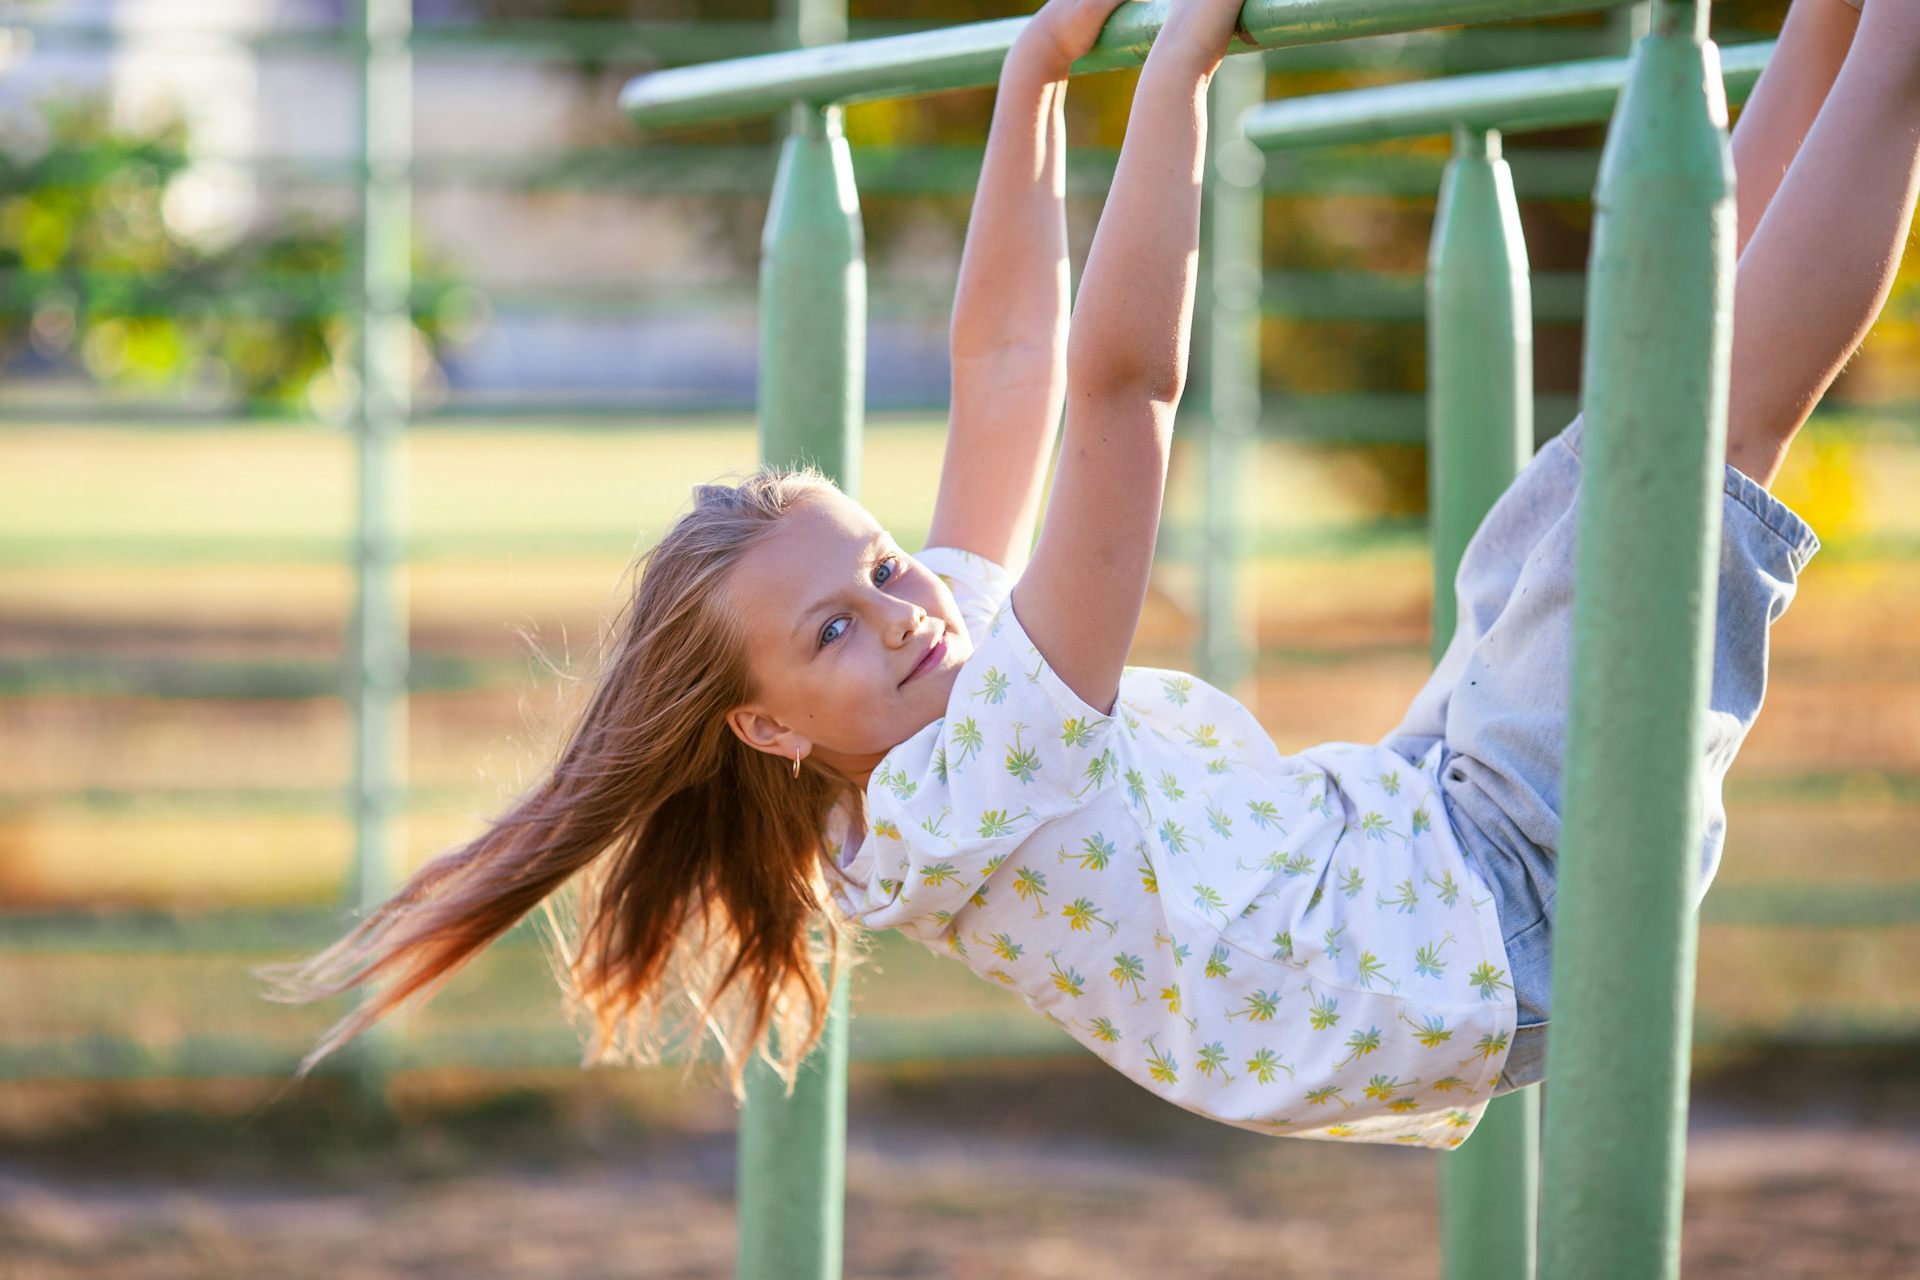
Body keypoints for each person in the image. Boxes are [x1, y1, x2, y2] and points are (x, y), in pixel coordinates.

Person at [262, 0, 1914, 1147]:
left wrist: (1032, 87)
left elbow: (1008, 367)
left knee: (1620, 435)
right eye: (835, 630)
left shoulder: (934, 685)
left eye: (888, 569)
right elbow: (1122, 398)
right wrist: (1177, 80)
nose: (906, 615)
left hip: (1422, 831)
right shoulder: (972, 771)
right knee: (1688, 462)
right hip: (1494, 918)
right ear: (769, 731)